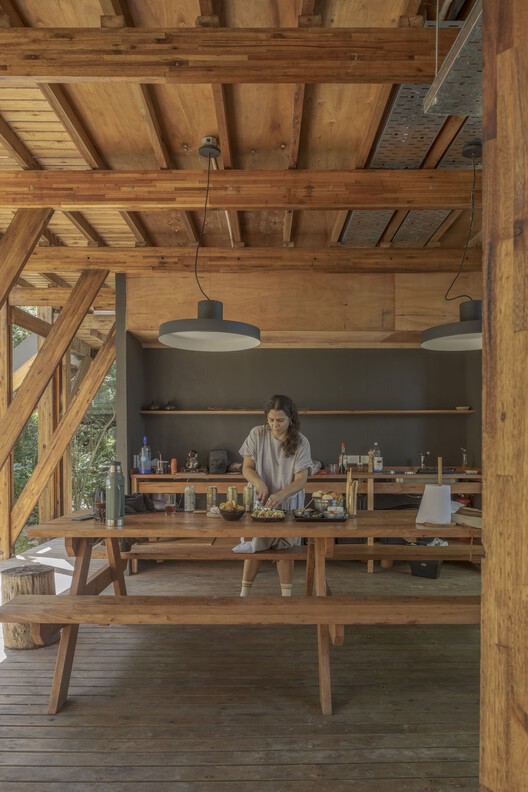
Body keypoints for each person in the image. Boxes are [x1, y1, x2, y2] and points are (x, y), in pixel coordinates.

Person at [235, 394, 312, 597]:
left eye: (280, 421)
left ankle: (286, 599)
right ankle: (243, 595)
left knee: (285, 552)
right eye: (271, 420)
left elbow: (301, 479)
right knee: (255, 547)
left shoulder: (301, 442)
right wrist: (259, 483)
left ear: (291, 419)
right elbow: (247, 468)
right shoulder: (257, 434)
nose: (275, 425)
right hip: (262, 502)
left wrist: (281, 495)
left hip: (289, 503)